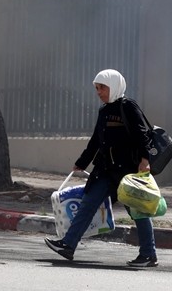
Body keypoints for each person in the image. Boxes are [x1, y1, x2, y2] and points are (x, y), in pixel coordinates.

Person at [44, 69, 158, 267]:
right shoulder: (104, 110)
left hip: (127, 173)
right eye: (97, 88)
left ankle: (148, 255)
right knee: (87, 204)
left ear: (114, 86)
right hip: (105, 171)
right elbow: (96, 140)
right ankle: (68, 245)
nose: (99, 92)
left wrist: (145, 159)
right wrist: (82, 162)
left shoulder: (128, 107)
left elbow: (142, 136)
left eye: (102, 87)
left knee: (138, 212)